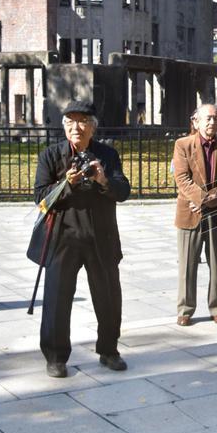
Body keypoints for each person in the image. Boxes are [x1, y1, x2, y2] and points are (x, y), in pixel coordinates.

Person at [27, 100, 130, 377]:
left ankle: (109, 351)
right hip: (63, 237)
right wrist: (67, 184)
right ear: (64, 127)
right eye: (70, 121)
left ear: (92, 127)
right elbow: (40, 198)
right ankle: (56, 357)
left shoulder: (107, 155)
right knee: (57, 300)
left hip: (101, 237)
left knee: (108, 297)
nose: (76, 127)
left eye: (82, 121)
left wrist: (103, 180)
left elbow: (123, 190)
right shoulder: (51, 156)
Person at [173, 103, 217, 326]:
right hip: (189, 212)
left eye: (216, 118)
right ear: (196, 121)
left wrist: (211, 199)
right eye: (208, 118)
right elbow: (181, 178)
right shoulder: (183, 145)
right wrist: (201, 199)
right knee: (187, 264)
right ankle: (185, 309)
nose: (212, 122)